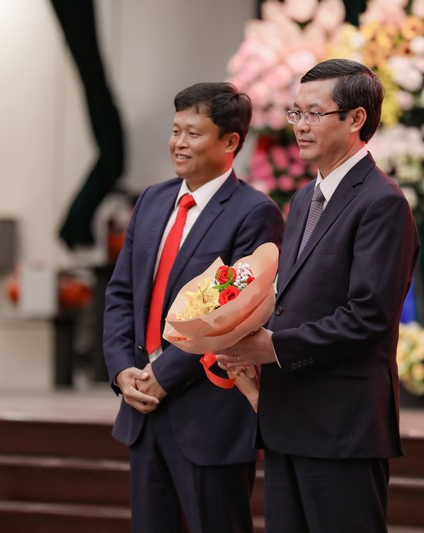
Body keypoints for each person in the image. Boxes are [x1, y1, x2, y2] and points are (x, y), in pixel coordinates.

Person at [217, 59, 420, 531]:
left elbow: (368, 316)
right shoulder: (306, 198)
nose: (300, 126)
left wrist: (273, 347)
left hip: (340, 425)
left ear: (356, 119)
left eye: (314, 113)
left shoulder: (381, 202)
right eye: (296, 113)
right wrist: (241, 334)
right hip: (288, 417)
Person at [103, 82, 284, 533]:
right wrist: (123, 370)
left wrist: (163, 375)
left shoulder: (253, 212)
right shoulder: (151, 200)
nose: (179, 143)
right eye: (175, 131)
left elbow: (237, 316)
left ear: (230, 142)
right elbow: (121, 293)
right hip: (143, 407)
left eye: (193, 133)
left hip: (209, 416)